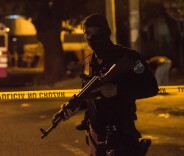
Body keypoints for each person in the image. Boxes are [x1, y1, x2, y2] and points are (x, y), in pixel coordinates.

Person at [53, 14, 159, 156]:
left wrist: (117, 90)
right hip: (96, 136)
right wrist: (74, 107)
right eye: (86, 32)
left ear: (105, 31)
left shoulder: (128, 57)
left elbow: (151, 87)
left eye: (94, 31)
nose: (90, 37)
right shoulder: (87, 63)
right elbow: (89, 96)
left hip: (121, 132)